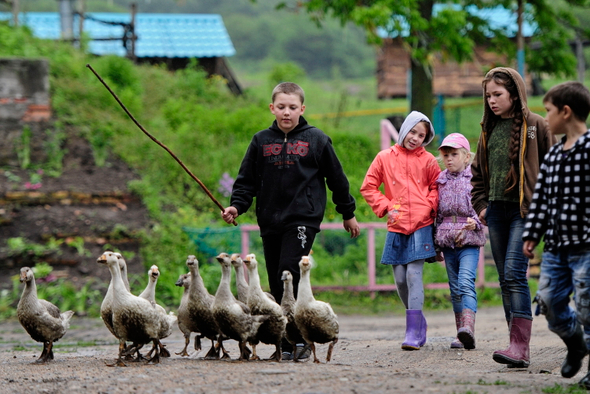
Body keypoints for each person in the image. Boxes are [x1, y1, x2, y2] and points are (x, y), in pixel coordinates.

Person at [221, 82, 361, 359]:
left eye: (292, 107)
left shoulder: (317, 139)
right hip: (270, 218)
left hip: (303, 218)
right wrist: (237, 207)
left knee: (288, 271)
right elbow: (246, 180)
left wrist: (348, 213)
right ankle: (286, 340)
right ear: (272, 108)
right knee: (275, 281)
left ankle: (300, 340)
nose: (287, 112)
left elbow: (337, 179)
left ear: (302, 109)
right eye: (281, 107)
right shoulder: (261, 141)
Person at [471, 67, 556, 367]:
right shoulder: (488, 129)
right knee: (504, 281)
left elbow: (551, 166)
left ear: (514, 94)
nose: (492, 100)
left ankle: (520, 347)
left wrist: (546, 209)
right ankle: (515, 345)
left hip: (525, 212)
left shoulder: (535, 126)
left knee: (513, 274)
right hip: (495, 212)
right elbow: (477, 174)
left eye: (498, 94)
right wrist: (481, 205)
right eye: (488, 96)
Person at [522, 81, 590, 386]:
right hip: (556, 247)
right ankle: (575, 343)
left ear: (566, 111)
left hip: (586, 246)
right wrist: (532, 234)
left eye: (548, 111)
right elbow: (541, 201)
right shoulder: (552, 157)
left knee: (588, 307)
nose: (545, 117)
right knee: (548, 301)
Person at [360, 111, 440, 350]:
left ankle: (413, 332)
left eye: (421, 135)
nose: (415, 138)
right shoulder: (384, 157)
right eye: (413, 132)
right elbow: (369, 187)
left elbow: (437, 188)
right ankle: (419, 321)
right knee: (400, 280)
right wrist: (386, 206)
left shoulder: (429, 161)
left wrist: (428, 205)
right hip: (396, 224)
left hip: (422, 224)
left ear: (426, 138)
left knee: (414, 275)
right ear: (405, 129)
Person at [434, 133, 487, 350]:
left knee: (466, 282)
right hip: (447, 240)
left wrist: (476, 222)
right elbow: (436, 213)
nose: (449, 159)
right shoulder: (440, 181)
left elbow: (484, 204)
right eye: (446, 155)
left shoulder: (475, 179)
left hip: (469, 240)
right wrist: (436, 245)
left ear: (466, 157)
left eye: (454, 154)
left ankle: (468, 328)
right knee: (455, 288)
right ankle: (461, 334)